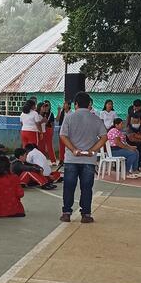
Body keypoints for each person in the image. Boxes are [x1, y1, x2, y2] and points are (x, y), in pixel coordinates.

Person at [57, 92, 107, 223]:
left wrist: (73, 149)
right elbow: (104, 137)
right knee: (86, 187)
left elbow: (63, 135)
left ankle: (66, 212)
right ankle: (86, 214)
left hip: (72, 158)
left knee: (69, 186)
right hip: (88, 159)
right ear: (89, 104)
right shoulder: (96, 119)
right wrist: (92, 150)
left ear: (76, 104)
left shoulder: (69, 117)